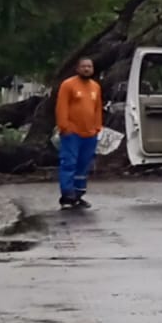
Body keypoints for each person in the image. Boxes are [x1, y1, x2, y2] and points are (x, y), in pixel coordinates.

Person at [55, 57, 103, 209]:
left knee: (83, 165)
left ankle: (78, 194)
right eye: (83, 66)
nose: (87, 69)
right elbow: (61, 107)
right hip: (72, 133)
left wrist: (97, 128)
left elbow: (97, 109)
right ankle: (67, 196)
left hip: (90, 134)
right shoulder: (68, 85)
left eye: (89, 66)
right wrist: (64, 127)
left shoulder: (95, 87)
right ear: (77, 69)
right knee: (69, 163)